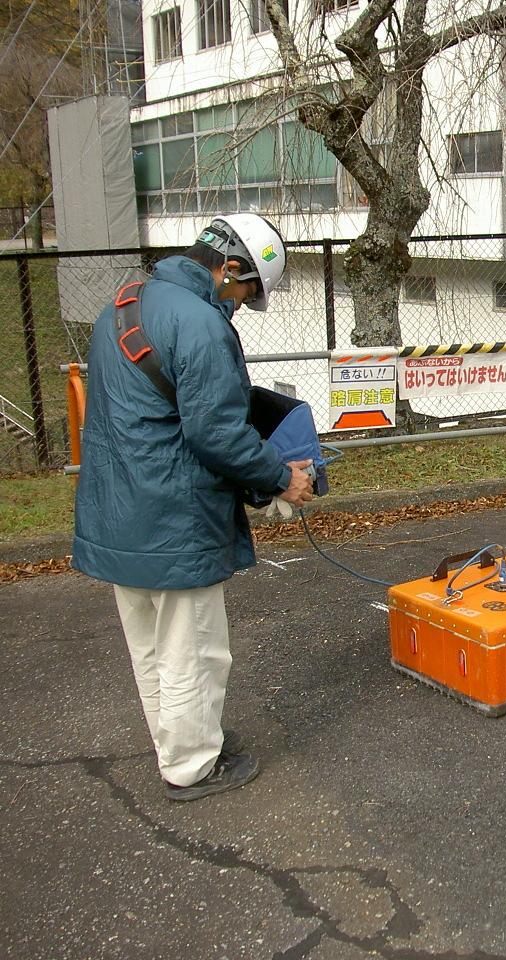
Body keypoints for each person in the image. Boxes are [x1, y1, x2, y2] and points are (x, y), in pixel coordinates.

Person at [73, 213, 315, 801]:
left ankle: (180, 740)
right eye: (245, 292)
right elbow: (216, 433)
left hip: (116, 508)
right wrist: (280, 478)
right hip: (173, 516)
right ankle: (191, 767)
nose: (239, 304)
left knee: (151, 645)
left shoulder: (124, 305)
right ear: (230, 267)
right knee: (194, 649)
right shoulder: (202, 323)